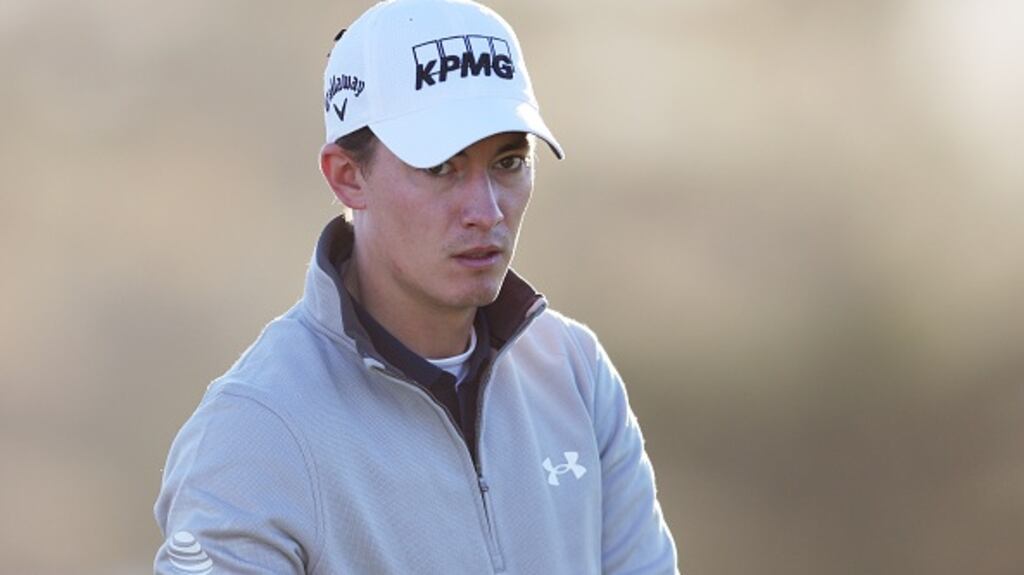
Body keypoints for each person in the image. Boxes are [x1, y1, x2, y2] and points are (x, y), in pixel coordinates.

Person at [153, 0, 678, 573]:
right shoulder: (253, 433)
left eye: (508, 162)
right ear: (347, 177)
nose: (486, 211)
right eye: (441, 167)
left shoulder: (574, 371)